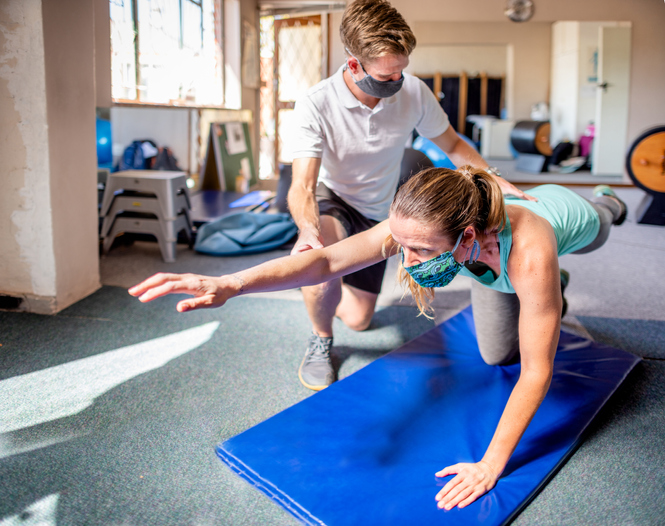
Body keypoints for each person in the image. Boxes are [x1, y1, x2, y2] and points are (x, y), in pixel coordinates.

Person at [128, 166, 627, 510]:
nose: (405, 262)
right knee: (497, 353)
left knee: (597, 228)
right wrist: (232, 284)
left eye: (418, 250)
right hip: (489, 262)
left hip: (572, 222)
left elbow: (538, 372)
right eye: (402, 245)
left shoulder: (531, 253)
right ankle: (543, 297)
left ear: (469, 235)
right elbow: (326, 261)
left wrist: (490, 464)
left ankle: (607, 204)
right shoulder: (424, 224)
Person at [287, 0, 532, 390]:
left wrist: (496, 179)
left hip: (382, 206)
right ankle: (320, 339)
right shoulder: (316, 103)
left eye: (403, 69)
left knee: (358, 319)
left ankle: (338, 285)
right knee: (319, 269)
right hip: (335, 199)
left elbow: (452, 144)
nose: (398, 80)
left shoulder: (413, 92)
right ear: (354, 64)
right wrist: (306, 231)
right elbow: (302, 185)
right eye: (387, 74)